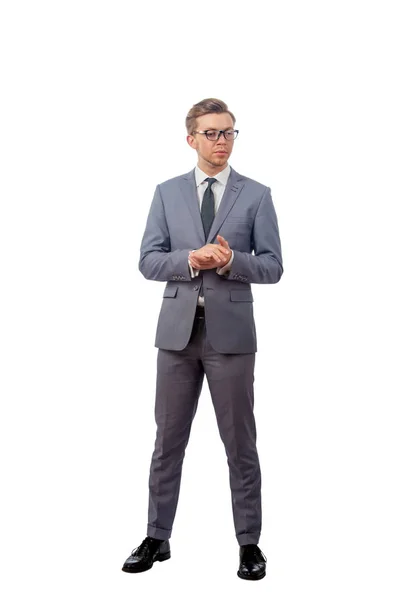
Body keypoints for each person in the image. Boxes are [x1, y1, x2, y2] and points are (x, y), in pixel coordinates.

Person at [122, 98, 283, 581]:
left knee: (240, 444)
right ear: (191, 138)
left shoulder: (255, 195)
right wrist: (192, 257)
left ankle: (249, 543)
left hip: (231, 338)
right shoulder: (167, 193)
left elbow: (273, 267)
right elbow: (149, 260)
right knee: (167, 441)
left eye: (230, 132)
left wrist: (231, 263)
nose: (222, 142)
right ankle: (157, 536)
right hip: (176, 336)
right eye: (212, 133)